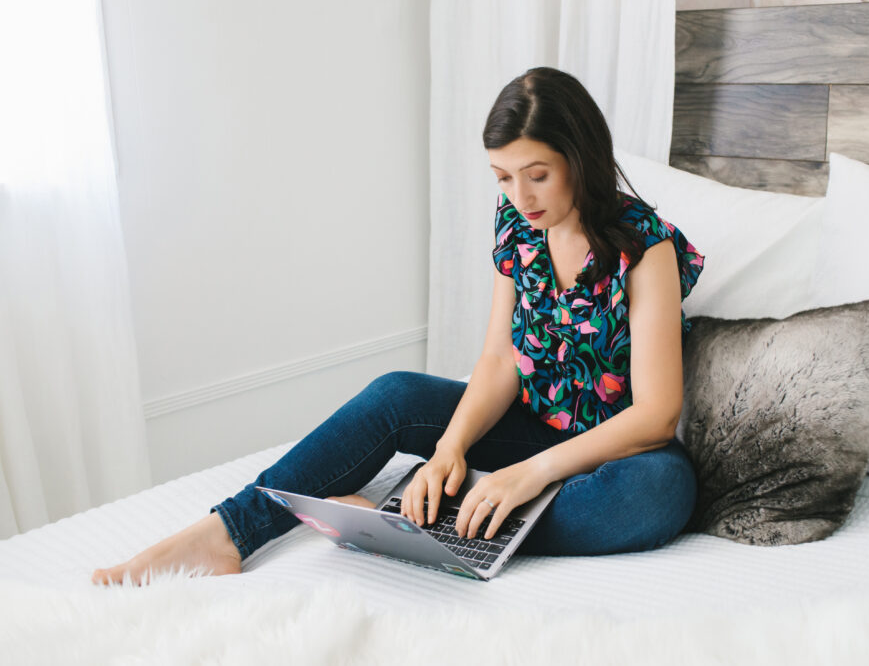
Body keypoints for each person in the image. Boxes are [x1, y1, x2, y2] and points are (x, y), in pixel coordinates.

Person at [92, 66, 705, 586]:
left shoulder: (644, 248)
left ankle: (410, 525)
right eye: (502, 177)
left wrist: (532, 473)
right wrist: (449, 449)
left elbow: (655, 414)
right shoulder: (520, 226)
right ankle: (227, 533)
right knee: (396, 395)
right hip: (531, 426)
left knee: (659, 495)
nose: (520, 195)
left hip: (617, 452)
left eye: (537, 174)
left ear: (580, 158)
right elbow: (498, 361)